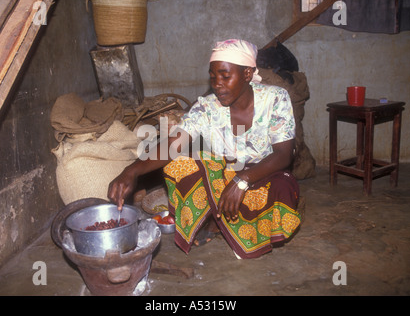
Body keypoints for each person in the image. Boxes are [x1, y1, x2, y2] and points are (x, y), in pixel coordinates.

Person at [108, 39, 302, 259]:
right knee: (182, 165)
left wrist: (243, 180)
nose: (217, 83)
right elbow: (173, 145)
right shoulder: (207, 107)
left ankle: (230, 219)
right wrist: (132, 170)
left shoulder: (275, 98)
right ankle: (215, 218)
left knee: (282, 188)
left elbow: (283, 154)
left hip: (264, 173)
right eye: (213, 76)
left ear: (247, 74)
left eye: (225, 76)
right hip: (224, 176)